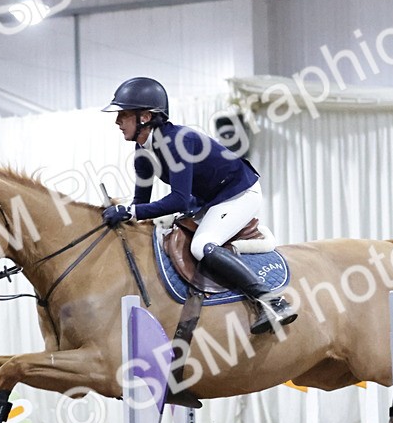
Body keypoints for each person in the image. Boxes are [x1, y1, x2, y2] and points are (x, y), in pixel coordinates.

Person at [101, 76, 296, 335]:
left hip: (239, 192)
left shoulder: (177, 141)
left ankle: (273, 302)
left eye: (123, 115)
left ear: (145, 117)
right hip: (209, 199)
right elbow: (141, 205)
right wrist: (124, 213)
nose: (117, 122)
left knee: (202, 246)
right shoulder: (142, 153)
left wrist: (132, 211)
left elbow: (178, 199)